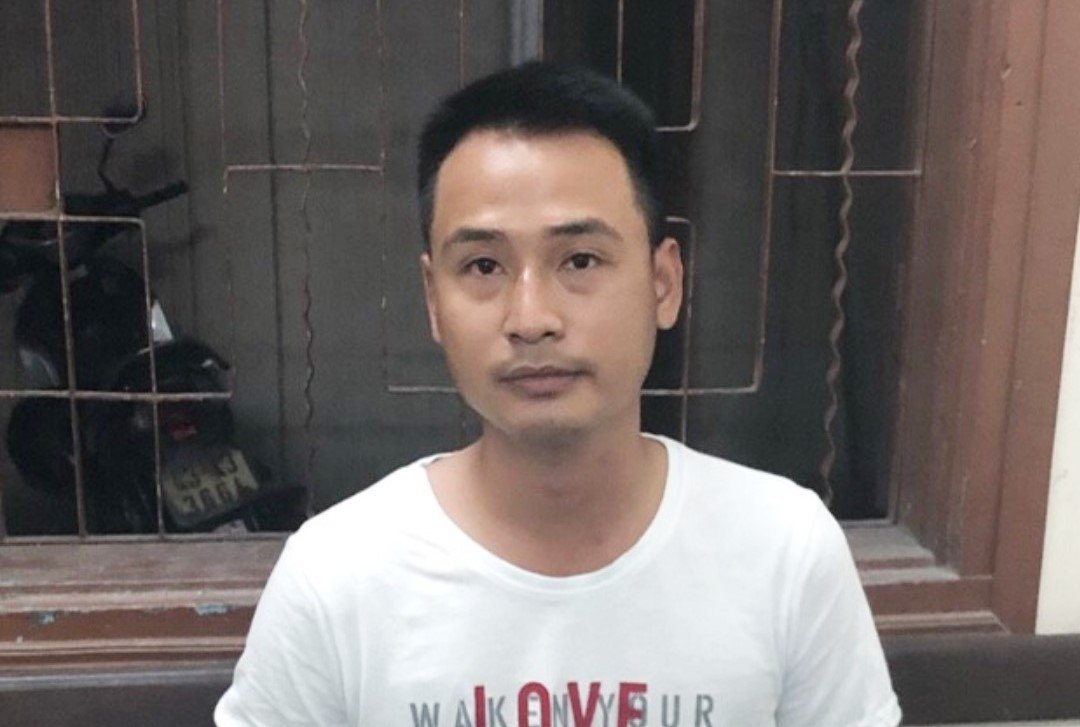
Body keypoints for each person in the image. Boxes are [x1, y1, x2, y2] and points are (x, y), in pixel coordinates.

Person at [215, 61, 901, 726]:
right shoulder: (338, 577)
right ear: (432, 299)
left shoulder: (783, 550)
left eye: (579, 260)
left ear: (663, 283)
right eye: (483, 265)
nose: (531, 318)